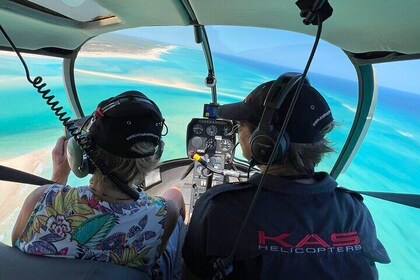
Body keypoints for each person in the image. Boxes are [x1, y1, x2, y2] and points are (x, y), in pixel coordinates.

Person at [182, 75, 390, 279]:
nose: (238, 132)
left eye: (242, 126)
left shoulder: (220, 207)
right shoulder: (355, 211)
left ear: (264, 142)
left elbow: (191, 272)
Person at [11, 90, 185, 278]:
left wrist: (58, 176)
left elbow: (17, 249)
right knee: (175, 193)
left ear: (82, 152)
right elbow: (154, 256)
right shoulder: (165, 213)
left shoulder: (42, 199)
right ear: (155, 156)